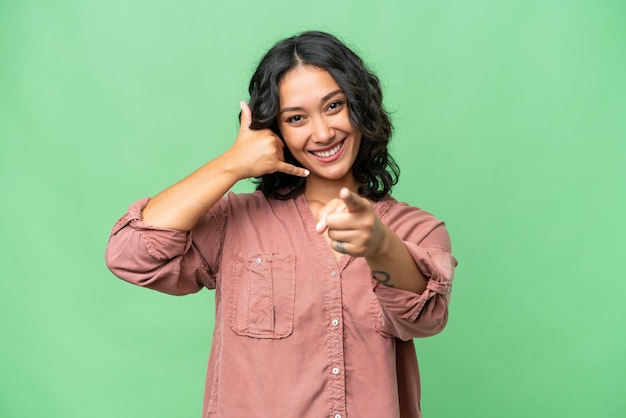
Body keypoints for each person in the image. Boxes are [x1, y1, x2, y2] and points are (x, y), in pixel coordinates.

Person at [105, 30, 457, 418]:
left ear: (360, 108)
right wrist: (232, 164)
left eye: (334, 106)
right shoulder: (233, 223)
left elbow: (426, 318)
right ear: (276, 131)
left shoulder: (417, 229)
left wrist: (379, 245)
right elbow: (129, 254)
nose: (323, 133)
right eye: (296, 118)